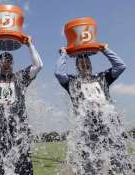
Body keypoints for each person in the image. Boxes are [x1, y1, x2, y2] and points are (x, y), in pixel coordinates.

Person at [54, 44, 133, 174]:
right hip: (87, 128)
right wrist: (64, 54)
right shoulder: (72, 81)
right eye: (81, 63)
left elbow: (120, 66)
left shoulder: (102, 77)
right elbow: (58, 73)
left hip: (109, 124)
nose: (85, 64)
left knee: (120, 161)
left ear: (91, 64)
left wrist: (105, 50)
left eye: (87, 62)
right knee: (90, 165)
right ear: (77, 67)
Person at [0, 35, 43, 175]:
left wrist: (30, 45)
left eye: (9, 61)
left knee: (22, 168)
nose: (6, 63)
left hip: (19, 131)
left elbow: (38, 65)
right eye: (3, 61)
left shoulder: (20, 77)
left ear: (12, 64)